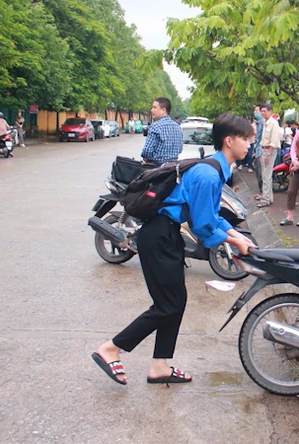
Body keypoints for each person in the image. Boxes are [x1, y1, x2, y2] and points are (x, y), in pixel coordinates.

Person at [92, 113, 258, 386]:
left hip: (166, 236)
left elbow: (213, 215)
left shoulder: (217, 170)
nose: (250, 144)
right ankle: (111, 348)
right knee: (167, 305)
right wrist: (235, 242)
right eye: (246, 139)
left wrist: (237, 235)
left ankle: (159, 366)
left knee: (174, 303)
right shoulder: (208, 173)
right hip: (158, 236)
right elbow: (204, 225)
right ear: (229, 141)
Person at [140, 98, 182, 166]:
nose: (151, 110)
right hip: (173, 168)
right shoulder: (178, 127)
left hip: (157, 168)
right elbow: (180, 149)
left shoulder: (155, 126)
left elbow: (147, 151)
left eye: (154, 107)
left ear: (163, 110)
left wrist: (147, 158)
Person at [257, 103, 281, 208]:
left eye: (265, 111)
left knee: (266, 175)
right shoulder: (265, 123)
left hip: (269, 150)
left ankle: (266, 199)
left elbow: (274, 140)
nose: (263, 113)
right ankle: (268, 197)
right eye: (261, 111)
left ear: (270, 111)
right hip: (264, 149)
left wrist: (268, 154)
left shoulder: (273, 123)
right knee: (265, 175)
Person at [253, 105, 265, 200]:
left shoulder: (263, 122)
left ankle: (263, 193)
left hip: (261, 151)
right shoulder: (259, 122)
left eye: (257, 110)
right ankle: (261, 192)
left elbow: (261, 138)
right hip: (258, 150)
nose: (255, 112)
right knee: (258, 173)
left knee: (261, 173)